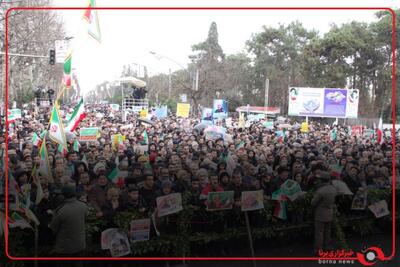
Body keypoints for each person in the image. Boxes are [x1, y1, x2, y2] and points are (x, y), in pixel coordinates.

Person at [49, 184, 88, 260]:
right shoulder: (83, 206)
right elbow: (85, 219)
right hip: (80, 245)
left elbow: (53, 228)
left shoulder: (61, 210)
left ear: (64, 196)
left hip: (65, 248)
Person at [311, 171, 337, 254]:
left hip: (320, 213)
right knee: (327, 232)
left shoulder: (321, 191)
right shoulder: (332, 188)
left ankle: (318, 249)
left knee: (319, 232)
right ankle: (327, 246)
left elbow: (313, 202)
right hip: (330, 212)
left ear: (321, 180)